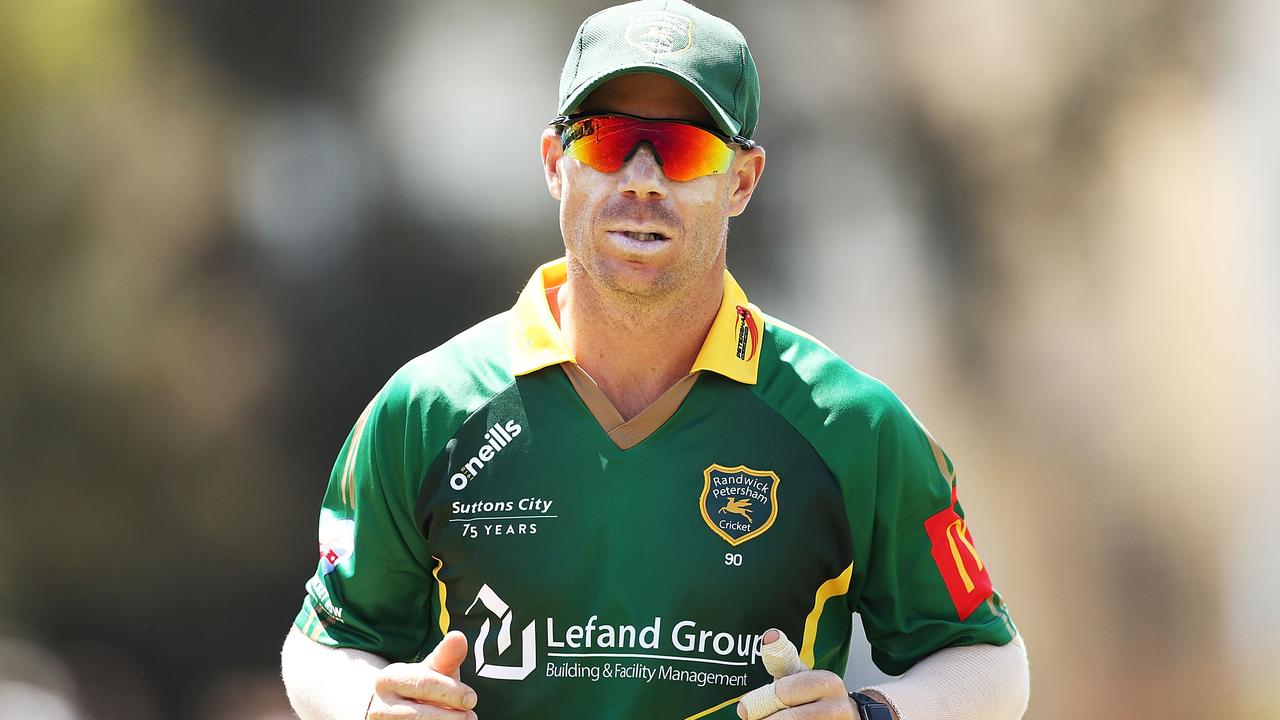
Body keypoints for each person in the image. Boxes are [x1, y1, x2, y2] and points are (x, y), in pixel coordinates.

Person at [281, 1, 1030, 718]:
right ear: (555, 162)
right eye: (607, 140)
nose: (641, 178)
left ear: (740, 181)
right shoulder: (428, 407)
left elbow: (989, 662)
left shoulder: (848, 424)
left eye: (683, 148)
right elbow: (323, 643)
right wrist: (370, 703)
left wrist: (872, 714)